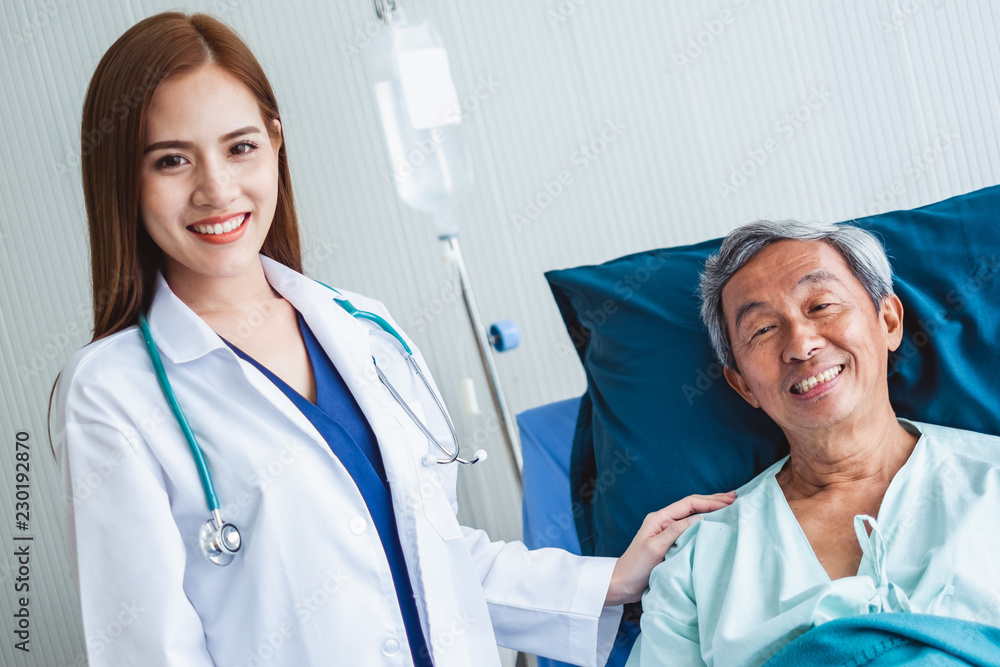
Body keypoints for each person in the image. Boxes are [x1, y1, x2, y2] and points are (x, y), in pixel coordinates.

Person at [48, 13, 735, 667]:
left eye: (240, 147)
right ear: (124, 181)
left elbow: (434, 560)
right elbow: (148, 648)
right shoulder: (113, 393)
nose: (217, 188)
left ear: (276, 144)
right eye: (172, 160)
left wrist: (612, 577)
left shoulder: (363, 329)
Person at [625, 220, 1000, 666]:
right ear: (743, 385)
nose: (800, 345)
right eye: (763, 329)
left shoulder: (991, 480)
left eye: (821, 305)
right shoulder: (698, 561)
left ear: (889, 321)